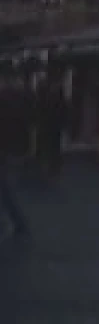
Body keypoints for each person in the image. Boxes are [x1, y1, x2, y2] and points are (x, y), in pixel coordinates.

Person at [1, 71, 31, 242]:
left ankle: (18, 223)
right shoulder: (18, 98)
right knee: (6, 189)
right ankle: (18, 223)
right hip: (10, 148)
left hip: (4, 147)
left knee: (5, 189)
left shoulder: (5, 99)